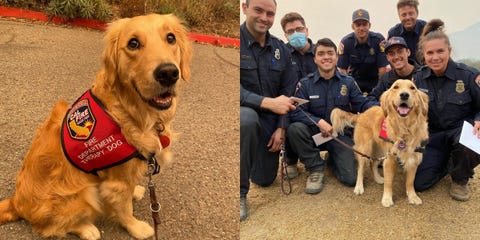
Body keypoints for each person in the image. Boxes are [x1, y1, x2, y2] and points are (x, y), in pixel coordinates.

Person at [287, 38, 377, 194]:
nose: (326, 57)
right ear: (315, 59)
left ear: (336, 57)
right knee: (295, 129)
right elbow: (297, 111)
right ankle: (316, 168)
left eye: (330, 53)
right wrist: (319, 122)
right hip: (314, 136)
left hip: (338, 134)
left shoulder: (348, 82)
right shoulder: (305, 84)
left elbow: (362, 104)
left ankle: (332, 159)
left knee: (350, 179)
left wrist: (379, 110)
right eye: (321, 54)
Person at [240, 0, 297, 221]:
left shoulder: (281, 50)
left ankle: (249, 157)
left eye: (270, 13)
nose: (264, 17)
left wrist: (281, 128)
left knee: (264, 179)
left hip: (270, 123)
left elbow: (287, 91)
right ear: (245, 8)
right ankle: (240, 194)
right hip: (241, 117)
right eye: (258, 10)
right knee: (247, 118)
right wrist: (265, 102)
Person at [412, 19, 480, 201]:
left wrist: (479, 118)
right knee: (420, 183)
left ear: (449, 50)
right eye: (430, 53)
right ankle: (449, 162)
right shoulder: (418, 79)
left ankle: (460, 177)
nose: (435, 57)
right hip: (433, 136)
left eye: (440, 51)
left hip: (460, 131)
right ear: (424, 55)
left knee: (474, 142)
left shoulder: (468, 76)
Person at [279, 12, 317, 179]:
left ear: (307, 30)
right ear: (286, 35)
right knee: (287, 117)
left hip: (318, 105)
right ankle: (290, 160)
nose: (295, 34)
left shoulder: (321, 52)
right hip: (293, 106)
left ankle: (330, 152)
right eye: (290, 31)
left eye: (299, 29)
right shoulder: (282, 55)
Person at [338, 9, 388, 94]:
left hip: (375, 81)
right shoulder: (346, 43)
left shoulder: (378, 40)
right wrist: (350, 89)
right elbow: (342, 70)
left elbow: (382, 70)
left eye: (364, 24)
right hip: (354, 82)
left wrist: (378, 90)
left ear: (370, 25)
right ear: (353, 26)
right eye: (358, 25)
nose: (361, 28)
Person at [367, 36, 421, 101]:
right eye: (391, 54)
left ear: (408, 52)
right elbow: (371, 98)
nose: (396, 57)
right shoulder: (386, 78)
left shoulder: (424, 75)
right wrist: (387, 107)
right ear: (387, 58)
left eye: (400, 51)